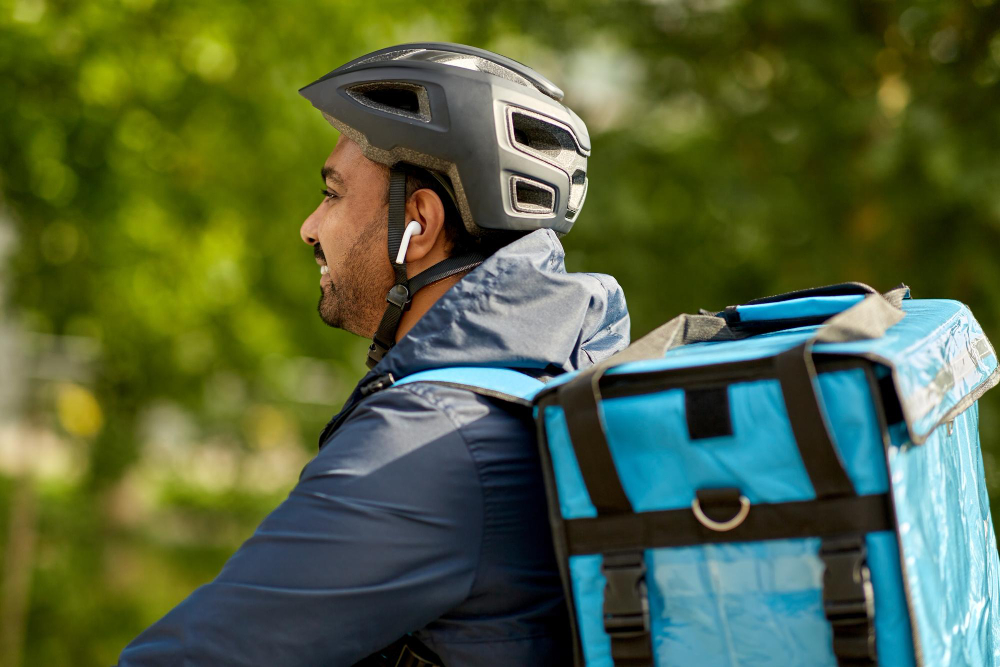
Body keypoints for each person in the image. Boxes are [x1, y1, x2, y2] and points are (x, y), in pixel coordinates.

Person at [118, 42, 629, 666]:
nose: (310, 226)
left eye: (332, 195)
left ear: (418, 221)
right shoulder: (541, 392)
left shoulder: (433, 441)